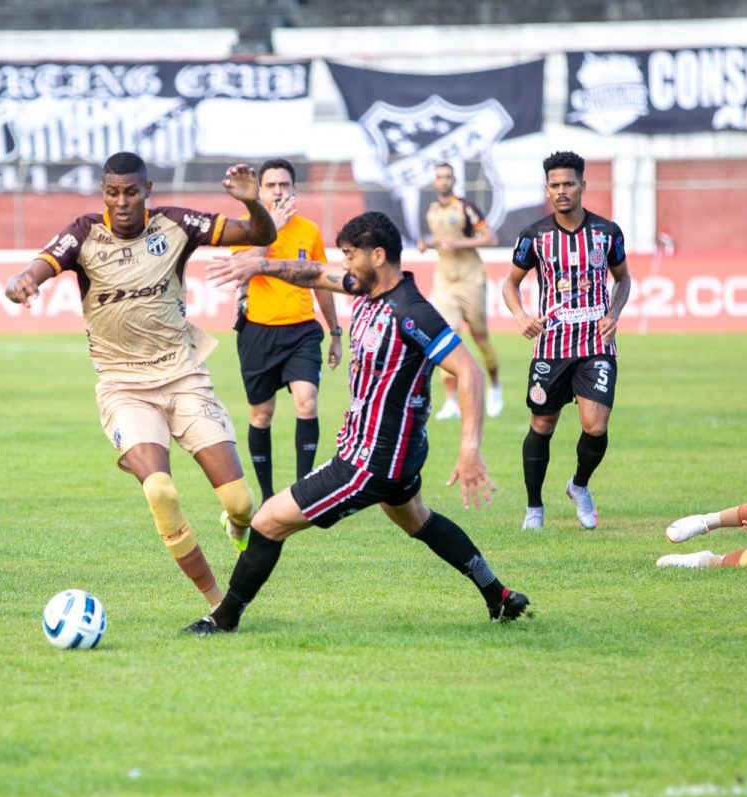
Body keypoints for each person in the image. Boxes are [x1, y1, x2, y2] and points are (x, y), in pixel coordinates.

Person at [182, 211, 531, 635]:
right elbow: (314, 273)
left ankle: (224, 618)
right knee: (416, 518)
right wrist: (261, 265)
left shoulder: (412, 312)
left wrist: (469, 449)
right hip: (394, 452)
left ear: (378, 255)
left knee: (268, 521)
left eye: (349, 256)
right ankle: (498, 595)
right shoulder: (365, 289)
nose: (343, 265)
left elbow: (469, 371)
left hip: (371, 461)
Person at [4, 151, 276, 612]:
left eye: (131, 192)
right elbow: (38, 267)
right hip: (124, 386)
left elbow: (260, 234)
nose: (122, 201)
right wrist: (22, 281)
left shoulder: (175, 224)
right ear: (103, 193)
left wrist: (253, 204)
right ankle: (217, 603)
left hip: (185, 376)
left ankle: (236, 525)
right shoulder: (83, 233)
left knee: (242, 502)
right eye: (113, 192)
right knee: (160, 491)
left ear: (147, 190)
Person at [502, 151, 632, 531]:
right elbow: (510, 283)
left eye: (569, 184)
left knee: (596, 426)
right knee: (542, 425)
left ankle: (579, 485)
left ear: (582, 186)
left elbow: (623, 278)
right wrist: (522, 316)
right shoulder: (534, 237)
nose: (562, 191)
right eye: (555, 185)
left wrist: (614, 313)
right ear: (547, 188)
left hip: (596, 345)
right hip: (551, 347)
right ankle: (534, 508)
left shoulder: (607, 233)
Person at [230, 158, 343, 504]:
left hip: (302, 332)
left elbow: (321, 282)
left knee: (306, 403)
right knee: (261, 414)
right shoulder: (245, 228)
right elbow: (242, 272)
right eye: (271, 185)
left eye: (284, 185)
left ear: (294, 189)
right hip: (258, 333)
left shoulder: (309, 231)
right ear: (259, 191)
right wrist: (271, 228)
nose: (278, 191)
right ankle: (267, 497)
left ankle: (303, 493)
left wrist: (335, 332)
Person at [416, 162, 503, 419]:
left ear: (454, 180)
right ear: (434, 182)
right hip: (445, 281)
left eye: (447, 177)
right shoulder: (431, 212)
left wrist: (460, 242)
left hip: (471, 279)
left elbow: (490, 238)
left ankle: (495, 385)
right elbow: (443, 243)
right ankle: (451, 402)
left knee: (480, 336)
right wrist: (428, 245)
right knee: (447, 336)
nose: (443, 181)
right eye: (439, 177)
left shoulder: (465, 207)